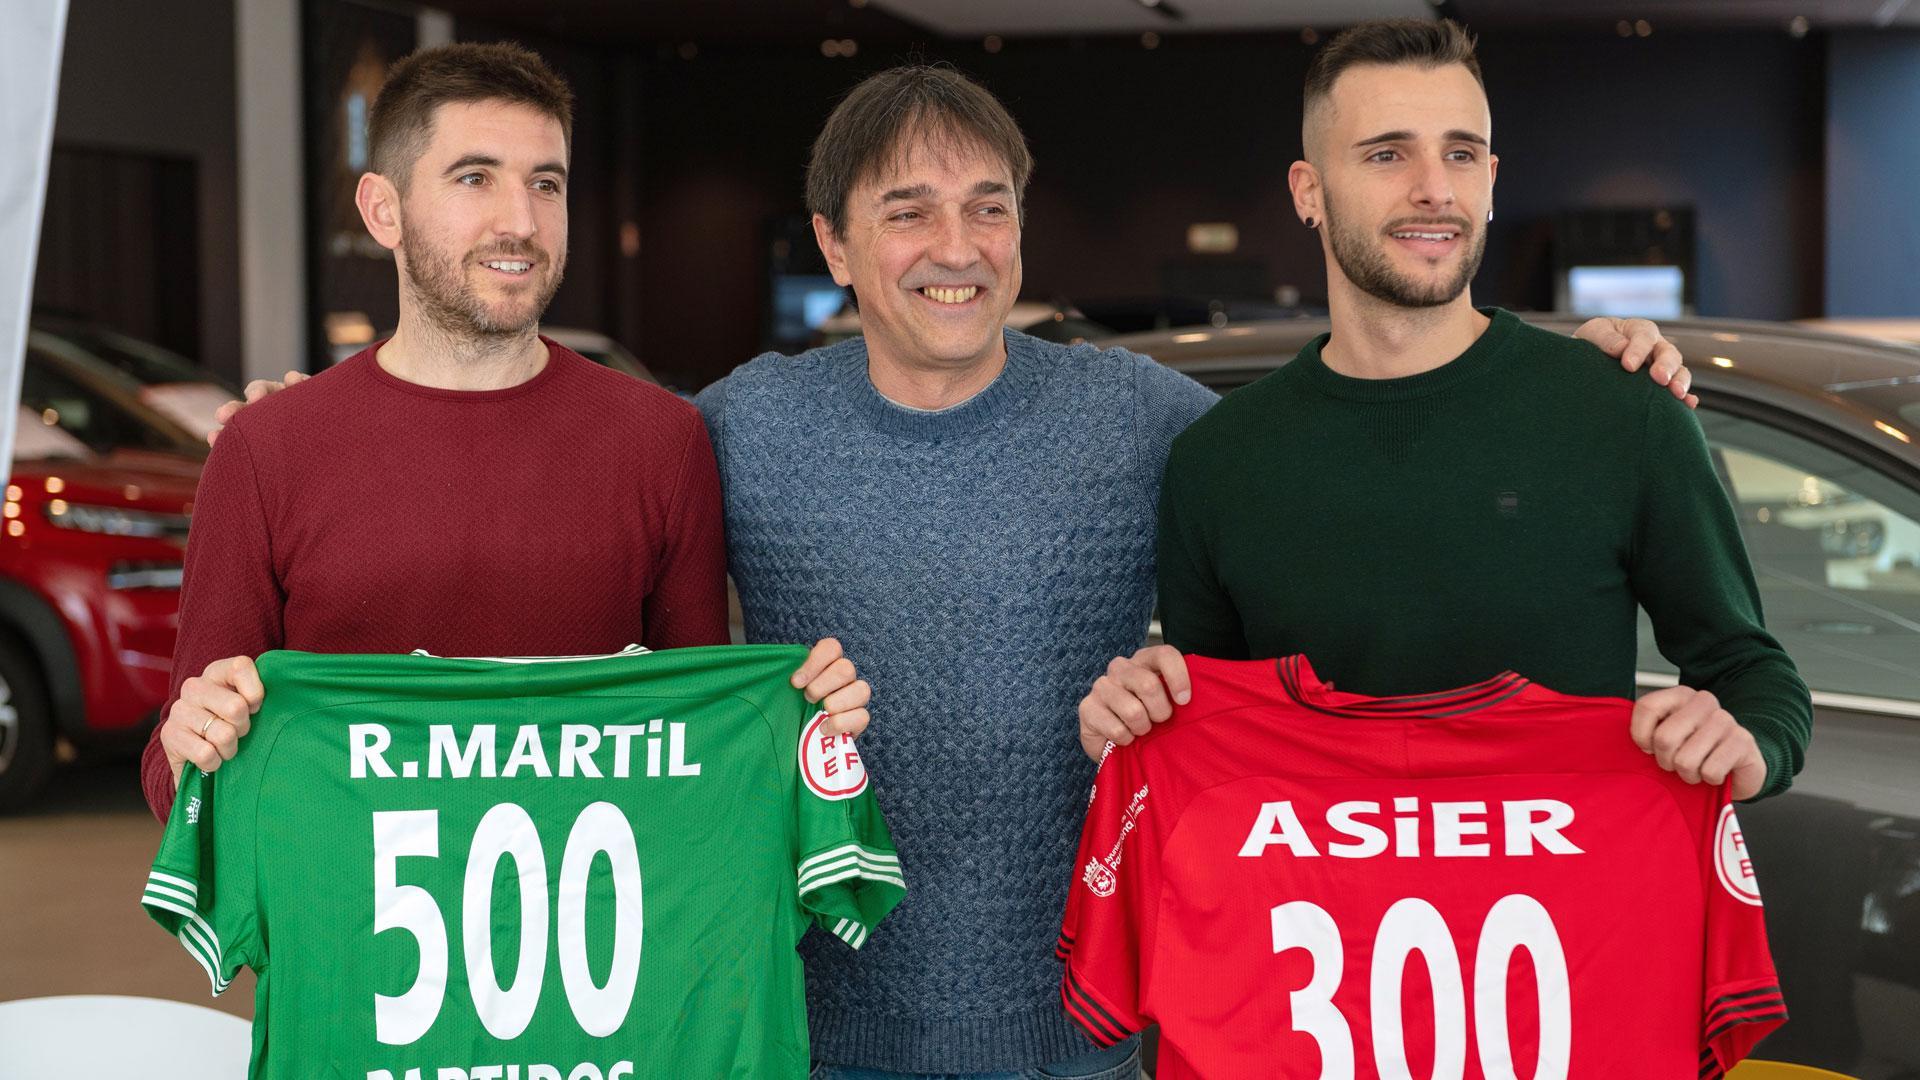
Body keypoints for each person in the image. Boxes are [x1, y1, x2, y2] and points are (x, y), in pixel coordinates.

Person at [696, 63, 1697, 1079]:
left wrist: (1568, 374)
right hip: (803, 1039)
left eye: (988, 209)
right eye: (909, 213)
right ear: (834, 243)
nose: (957, 249)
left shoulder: (1140, 417)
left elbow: (1365, 436)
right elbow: (640, 654)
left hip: (1088, 1038)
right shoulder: (743, 426)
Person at [1079, 19, 1810, 806]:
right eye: (1387, 154)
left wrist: (1747, 743)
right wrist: (1139, 715)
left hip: (1570, 884)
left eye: (1460, 153)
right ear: (1308, 192)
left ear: (1490, 179)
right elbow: (1211, 742)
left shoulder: (1622, 412)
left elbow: (1750, 671)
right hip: (1313, 886)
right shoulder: (1217, 461)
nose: (1435, 187)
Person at [139, 42, 866, 824]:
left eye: (545, 184)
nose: (520, 222)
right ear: (383, 210)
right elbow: (177, 778)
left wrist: (796, 724)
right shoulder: (265, 450)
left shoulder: (661, 439)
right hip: (342, 900)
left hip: (599, 900)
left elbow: (700, 745)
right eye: (475, 177)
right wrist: (188, 748)